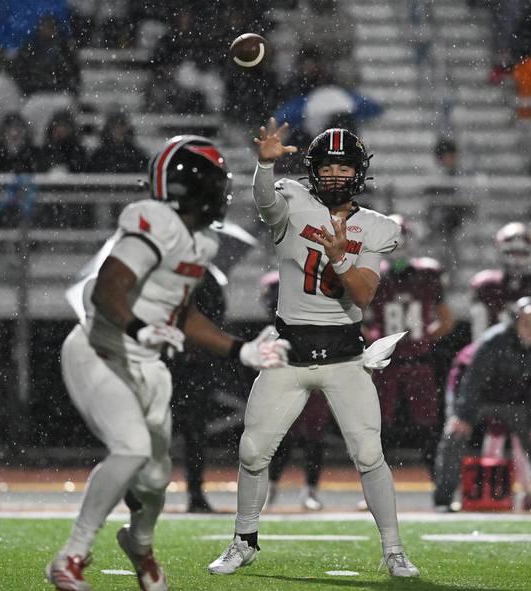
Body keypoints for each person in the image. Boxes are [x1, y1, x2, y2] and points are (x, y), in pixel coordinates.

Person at [46, 135, 290, 591]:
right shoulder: (153, 220)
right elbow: (108, 288)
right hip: (101, 350)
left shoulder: (201, 243)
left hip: (148, 366)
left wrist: (240, 350)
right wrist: (140, 328)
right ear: (194, 185)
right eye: (218, 184)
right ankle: (71, 555)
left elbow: (184, 313)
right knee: (132, 449)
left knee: (156, 478)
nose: (223, 194)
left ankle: (139, 545)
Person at [207, 120, 420, 578]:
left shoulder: (374, 227)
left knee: (368, 454)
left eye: (345, 167)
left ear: (359, 173)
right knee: (252, 451)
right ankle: (244, 540)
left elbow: (363, 295)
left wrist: (341, 256)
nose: (336, 174)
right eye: (328, 165)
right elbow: (265, 202)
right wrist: (263, 164)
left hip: (345, 354)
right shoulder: (293, 201)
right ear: (312, 169)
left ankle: (394, 550)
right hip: (290, 350)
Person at [433, 298, 531, 515]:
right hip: (474, 395)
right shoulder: (493, 341)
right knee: (455, 433)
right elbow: (472, 381)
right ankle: (443, 499)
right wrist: (462, 414)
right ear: (515, 323)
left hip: (514, 398)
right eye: (526, 323)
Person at [469, 222, 531, 511]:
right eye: (511, 251)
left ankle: (528, 490)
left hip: (527, 366)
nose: (516, 258)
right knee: (494, 430)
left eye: (521, 252)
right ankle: (489, 488)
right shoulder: (487, 284)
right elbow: (479, 334)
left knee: (526, 431)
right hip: (495, 368)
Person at [366, 215, 455, 473]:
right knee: (384, 425)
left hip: (406, 362)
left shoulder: (425, 274)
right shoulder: (376, 275)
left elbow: (447, 321)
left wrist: (417, 339)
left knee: (422, 425)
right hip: (396, 363)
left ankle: (439, 482)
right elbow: (447, 322)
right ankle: (435, 483)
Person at [260, 271, 332, 512]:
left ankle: (310, 489)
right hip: (286, 360)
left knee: (315, 436)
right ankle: (271, 486)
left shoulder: (317, 280)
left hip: (313, 358)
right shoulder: (276, 283)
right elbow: (273, 316)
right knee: (282, 434)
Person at [167, 268, 229, 513]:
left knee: (193, 434)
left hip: (188, 367)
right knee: (188, 433)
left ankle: (194, 492)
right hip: (180, 365)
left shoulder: (198, 276)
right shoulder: (199, 275)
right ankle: (191, 493)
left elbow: (216, 317)